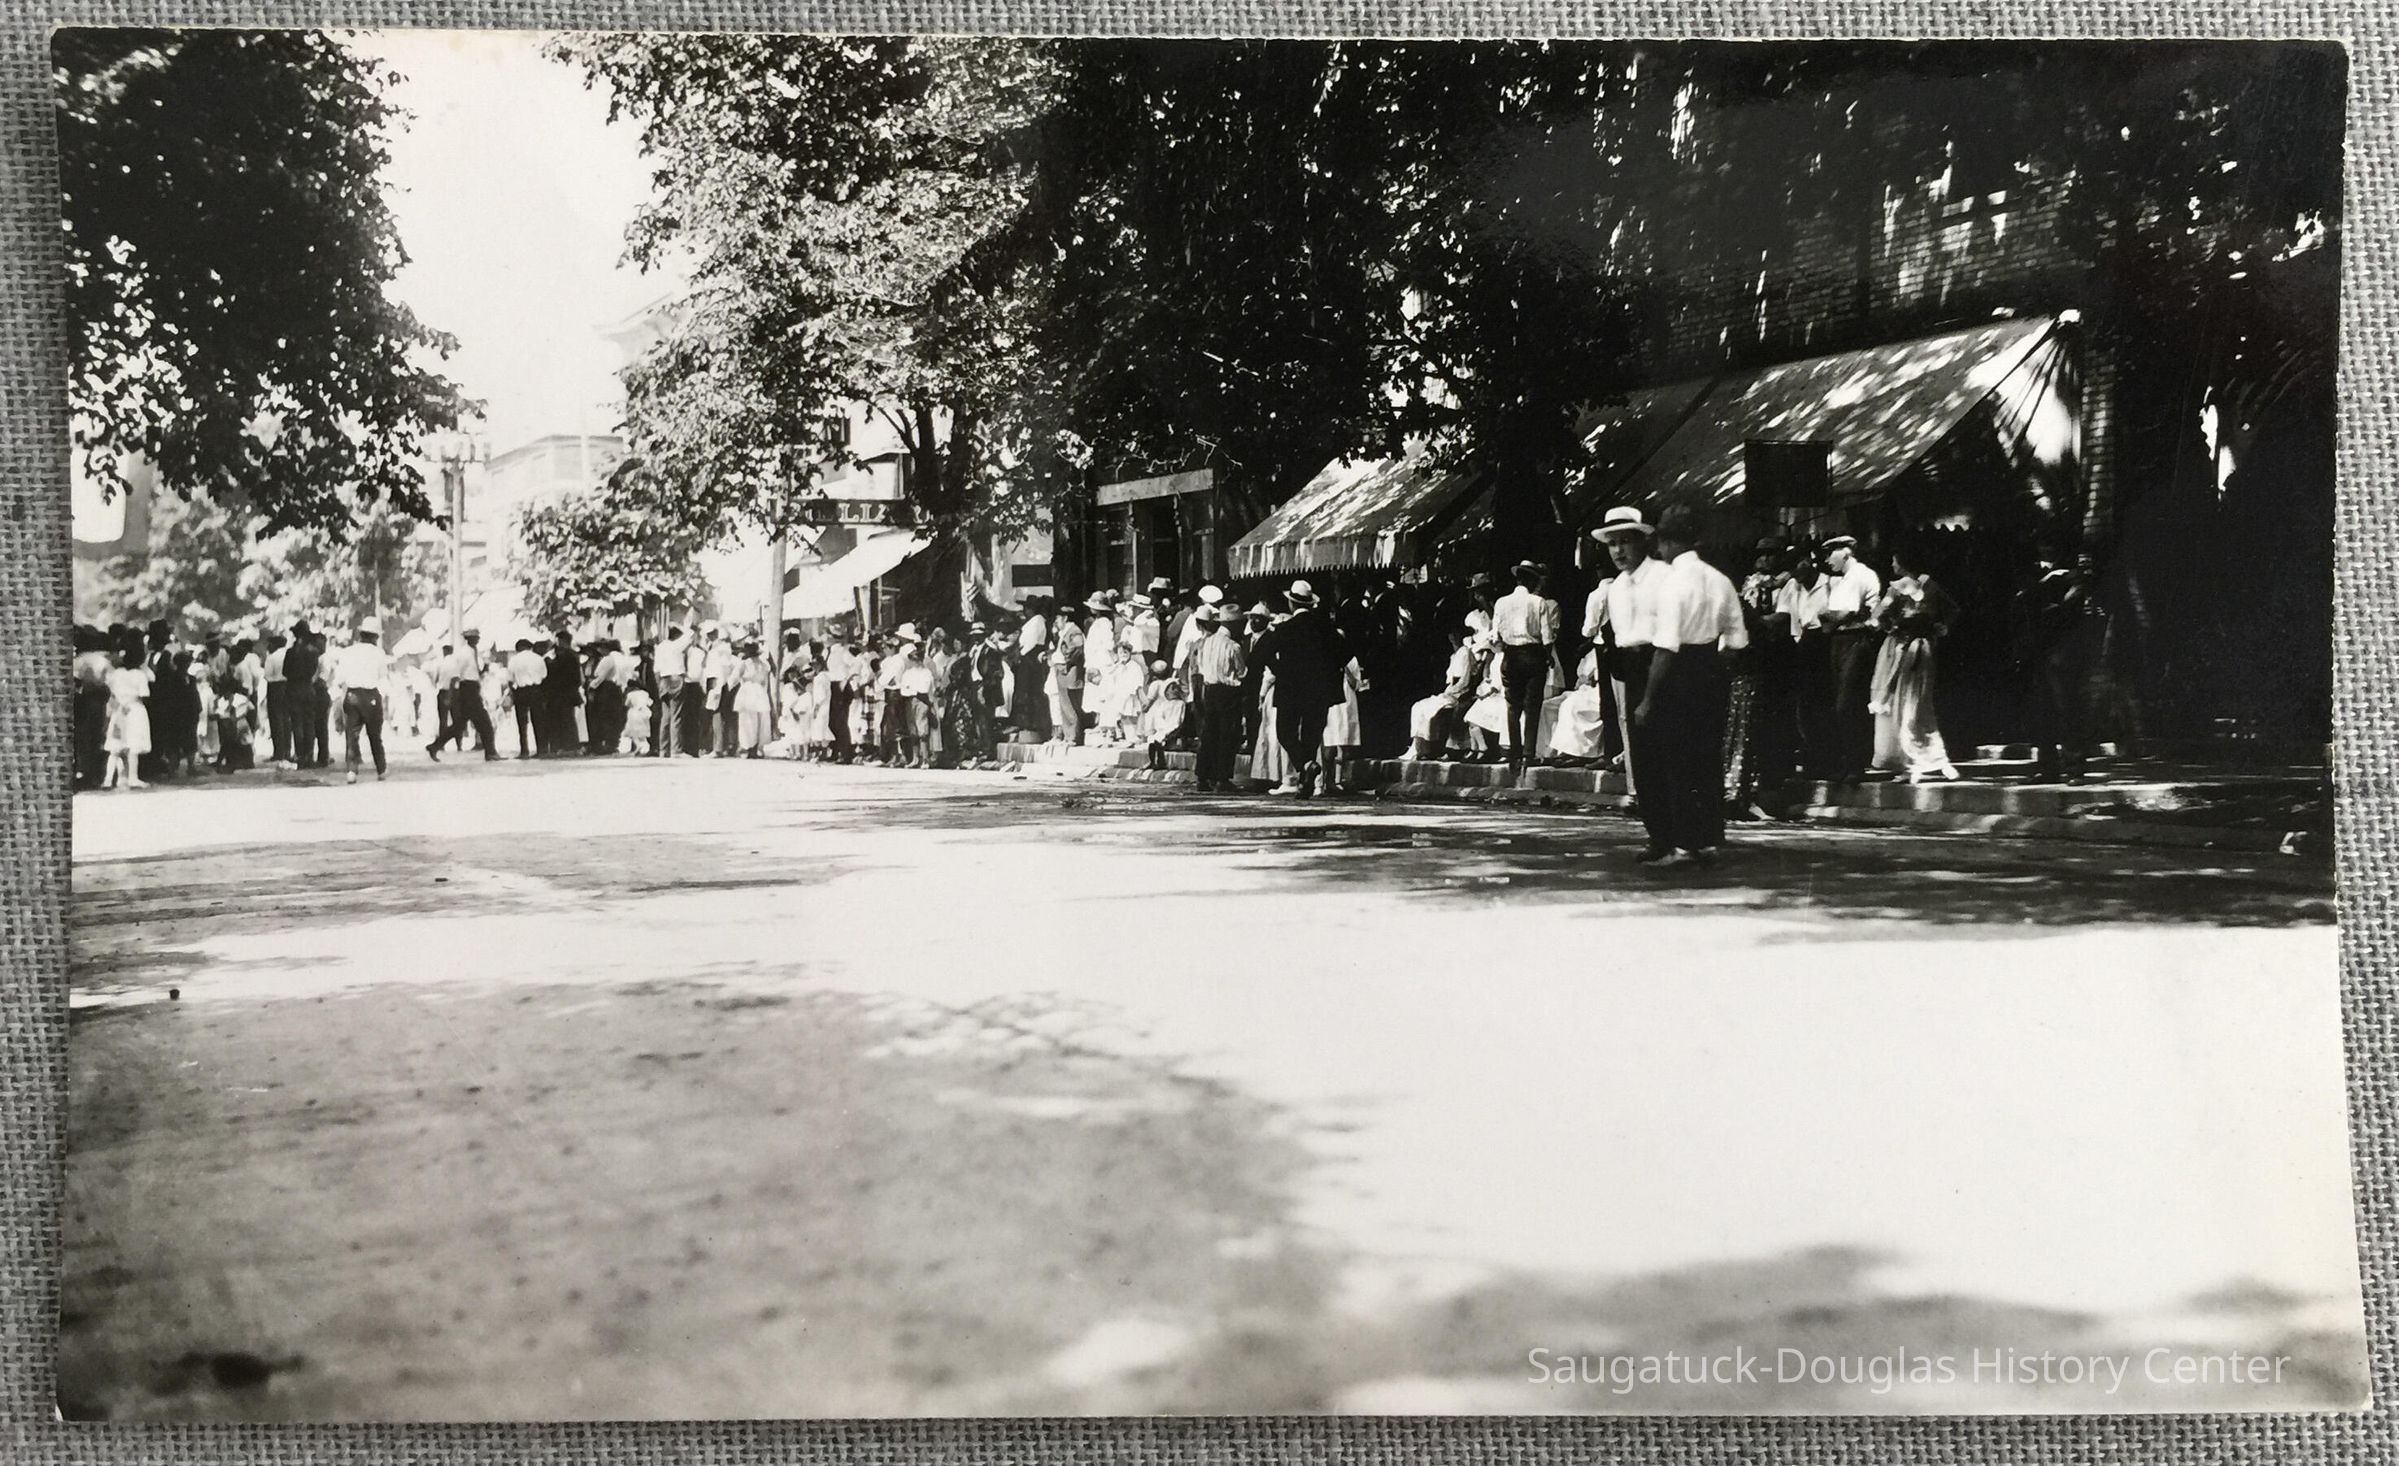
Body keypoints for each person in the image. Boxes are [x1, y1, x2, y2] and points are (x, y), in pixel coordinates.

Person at [1632, 507, 1748, 868]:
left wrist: (1648, 699)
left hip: (1678, 672)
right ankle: (1707, 840)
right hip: (1711, 670)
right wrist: (1713, 665)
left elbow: (1666, 647)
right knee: (1707, 758)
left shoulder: (1672, 583)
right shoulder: (1720, 579)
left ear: (1665, 542)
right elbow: (1738, 638)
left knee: (1677, 759)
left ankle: (1683, 843)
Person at [1869, 546, 1962, 783]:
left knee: (1916, 704)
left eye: (1894, 561)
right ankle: (1910, 759)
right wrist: (1893, 628)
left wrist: (1941, 627)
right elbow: (1880, 615)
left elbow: (1878, 614)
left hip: (1917, 649)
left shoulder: (1921, 586)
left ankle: (1930, 758)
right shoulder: (1901, 588)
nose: (1892, 566)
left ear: (1902, 563)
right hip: (1902, 649)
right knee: (1903, 704)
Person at [1591, 507, 1665, 799]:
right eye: (1612, 544)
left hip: (1662, 660)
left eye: (1625, 541)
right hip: (1631, 666)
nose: (1618, 551)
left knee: (1666, 745)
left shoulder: (1662, 577)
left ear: (1641, 541)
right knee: (1639, 745)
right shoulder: (1617, 588)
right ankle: (1656, 830)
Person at [1252, 580, 1349, 797]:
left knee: (1285, 732)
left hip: (1291, 688)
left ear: (1291, 604)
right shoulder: (1326, 628)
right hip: (1320, 690)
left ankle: (1305, 766)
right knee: (1311, 735)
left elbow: (1258, 654)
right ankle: (1306, 778)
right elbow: (1345, 654)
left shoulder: (1284, 629)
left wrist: (1279, 669)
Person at [1819, 534, 1885, 784]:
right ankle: (1850, 762)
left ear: (1845, 551)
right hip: (1841, 641)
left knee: (1848, 704)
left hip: (1855, 640)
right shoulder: (1843, 579)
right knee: (1842, 703)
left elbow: (1843, 613)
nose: (1827, 560)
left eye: (1831, 553)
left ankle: (1856, 764)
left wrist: (1827, 616)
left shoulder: (1860, 575)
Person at [1492, 560, 1565, 771]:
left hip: (1510, 656)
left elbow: (1494, 636)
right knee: (1532, 707)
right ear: (1531, 581)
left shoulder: (1501, 603)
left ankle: (1514, 754)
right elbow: (1547, 636)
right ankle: (1528, 754)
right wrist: (1549, 656)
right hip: (1533, 656)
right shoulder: (1538, 602)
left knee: (1513, 707)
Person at [1189, 605, 1248, 792]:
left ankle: (1203, 776)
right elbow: (1241, 672)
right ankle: (1223, 778)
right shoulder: (1233, 646)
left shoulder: (1206, 642)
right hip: (1229, 691)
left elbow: (1200, 667)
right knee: (1228, 735)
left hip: (1210, 689)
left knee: (1209, 734)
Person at [332, 615, 392, 783]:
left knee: (351, 735)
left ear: (361, 634)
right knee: (375, 735)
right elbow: (382, 677)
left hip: (352, 695)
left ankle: (351, 770)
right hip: (371, 695)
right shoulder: (379, 653)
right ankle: (381, 769)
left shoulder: (348, 652)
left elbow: (340, 678)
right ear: (375, 636)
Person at [102, 635, 154, 790]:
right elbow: (144, 694)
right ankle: (133, 777)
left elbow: (110, 692)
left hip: (119, 709)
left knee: (116, 747)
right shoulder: (140, 675)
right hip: (135, 710)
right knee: (133, 746)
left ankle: (109, 779)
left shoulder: (116, 674)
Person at [1010, 599, 1052, 740]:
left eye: (1026, 608)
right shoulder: (1030, 622)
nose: (1024, 611)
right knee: (1024, 690)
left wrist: (1019, 654)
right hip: (1025, 657)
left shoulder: (1038, 621)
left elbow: (1030, 642)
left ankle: (1036, 724)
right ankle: (1026, 723)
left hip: (1031, 657)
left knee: (1033, 691)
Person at [1049, 606, 1087, 745]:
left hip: (1068, 670)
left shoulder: (1074, 631)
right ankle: (1068, 735)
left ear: (1065, 618)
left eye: (1058, 618)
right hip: (1063, 670)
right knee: (1064, 703)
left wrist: (1065, 661)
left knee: (1070, 704)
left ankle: (1073, 736)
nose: (1056, 621)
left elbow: (1076, 649)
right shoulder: (1064, 632)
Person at [733, 637, 775, 756]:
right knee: (758, 720)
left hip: (748, 691)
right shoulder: (763, 664)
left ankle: (750, 746)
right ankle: (755, 747)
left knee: (749, 720)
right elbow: (765, 682)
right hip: (759, 691)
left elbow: (734, 678)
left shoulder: (744, 664)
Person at [506, 638, 548, 757]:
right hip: (536, 690)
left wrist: (513, 692)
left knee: (522, 722)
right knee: (539, 721)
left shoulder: (514, 660)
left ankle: (524, 750)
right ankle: (541, 749)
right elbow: (544, 676)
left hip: (521, 691)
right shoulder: (538, 659)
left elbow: (510, 679)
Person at [262, 630, 293, 768]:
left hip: (275, 687)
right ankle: (287, 750)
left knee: (276, 720)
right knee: (287, 720)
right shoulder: (290, 655)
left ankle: (278, 751)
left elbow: (267, 676)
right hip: (288, 687)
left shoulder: (272, 657)